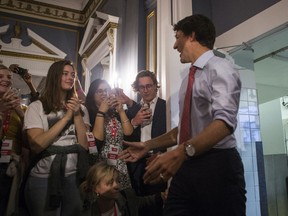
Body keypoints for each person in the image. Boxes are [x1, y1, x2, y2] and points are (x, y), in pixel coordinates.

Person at [119, 14, 246, 216]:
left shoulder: (221, 68)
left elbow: (224, 123)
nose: (174, 45)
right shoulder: (189, 78)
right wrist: (147, 145)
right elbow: (185, 129)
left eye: (178, 36)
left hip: (218, 166)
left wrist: (180, 152)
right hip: (188, 162)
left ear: (192, 36)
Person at [23, 60, 90, 216]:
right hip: (44, 178)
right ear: (55, 76)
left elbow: (84, 145)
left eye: (72, 75)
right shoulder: (37, 107)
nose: (70, 78)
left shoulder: (82, 109)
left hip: (74, 177)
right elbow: (37, 145)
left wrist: (77, 114)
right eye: (65, 74)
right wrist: (66, 118)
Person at [118, 70, 167, 215]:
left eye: (149, 86)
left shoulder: (166, 107)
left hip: (157, 160)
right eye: (142, 87)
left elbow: (170, 136)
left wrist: (160, 154)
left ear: (155, 86)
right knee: (137, 204)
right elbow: (125, 137)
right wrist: (134, 122)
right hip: (136, 163)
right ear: (137, 89)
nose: (145, 90)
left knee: (157, 204)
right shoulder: (130, 111)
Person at [85, 79, 133, 189]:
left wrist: (121, 111)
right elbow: (96, 142)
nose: (104, 94)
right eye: (99, 91)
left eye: (106, 90)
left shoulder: (114, 113)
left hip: (120, 166)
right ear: (93, 95)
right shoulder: (89, 113)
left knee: (124, 202)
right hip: (101, 167)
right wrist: (101, 112)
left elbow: (129, 134)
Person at [80, 161, 164, 216]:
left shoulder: (126, 196)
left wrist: (163, 196)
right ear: (95, 188)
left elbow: (143, 201)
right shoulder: (86, 211)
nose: (116, 186)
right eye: (110, 182)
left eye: (117, 181)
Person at [0, 64, 26, 216]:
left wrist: (21, 115)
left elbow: (28, 141)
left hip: (11, 164)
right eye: (1, 77)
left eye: (9, 77)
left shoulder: (20, 109)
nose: (6, 80)